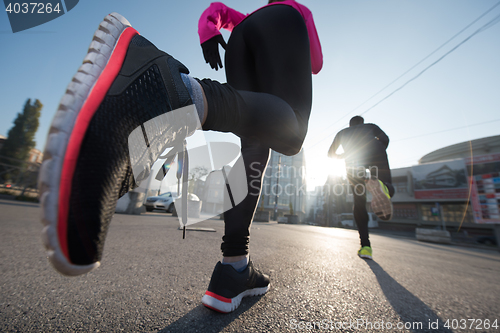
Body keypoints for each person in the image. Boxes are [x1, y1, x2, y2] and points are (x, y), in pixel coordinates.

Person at [38, 0, 322, 313]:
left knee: (255, 145)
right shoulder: (296, 9)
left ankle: (234, 268)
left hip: (237, 39)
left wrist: (208, 33)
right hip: (284, 24)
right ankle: (175, 91)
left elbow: (215, 10)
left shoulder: (245, 19)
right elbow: (316, 62)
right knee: (293, 132)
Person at [328, 116, 394, 260]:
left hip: (354, 160)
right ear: (361, 123)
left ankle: (366, 247)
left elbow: (330, 154)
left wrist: (344, 155)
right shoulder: (370, 126)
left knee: (359, 202)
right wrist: (377, 149)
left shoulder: (342, 133)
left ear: (350, 124)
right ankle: (385, 187)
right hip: (375, 152)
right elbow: (386, 139)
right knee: (385, 182)